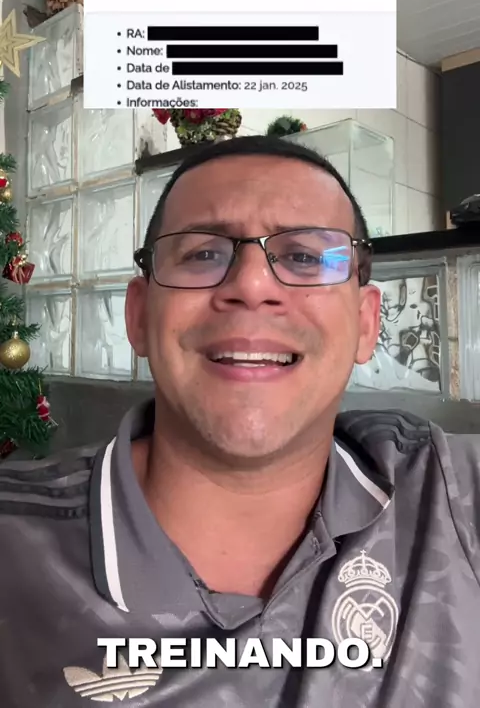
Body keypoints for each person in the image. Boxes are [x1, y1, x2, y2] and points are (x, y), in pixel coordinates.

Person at [1, 134, 479, 708]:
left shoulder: (453, 496)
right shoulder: (15, 548)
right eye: (204, 254)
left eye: (304, 257)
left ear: (364, 323)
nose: (252, 286)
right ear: (139, 315)